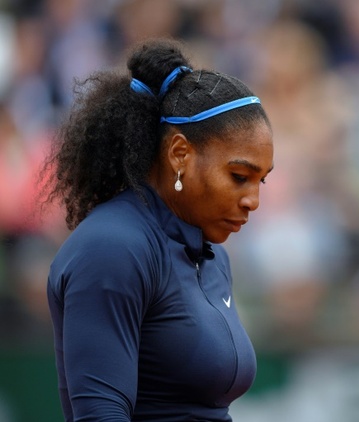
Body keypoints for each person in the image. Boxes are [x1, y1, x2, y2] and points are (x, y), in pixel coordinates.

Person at [43, 38, 274, 421]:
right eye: (238, 176)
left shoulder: (213, 257)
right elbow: (101, 414)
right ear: (179, 154)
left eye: (260, 181)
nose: (253, 200)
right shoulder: (112, 247)